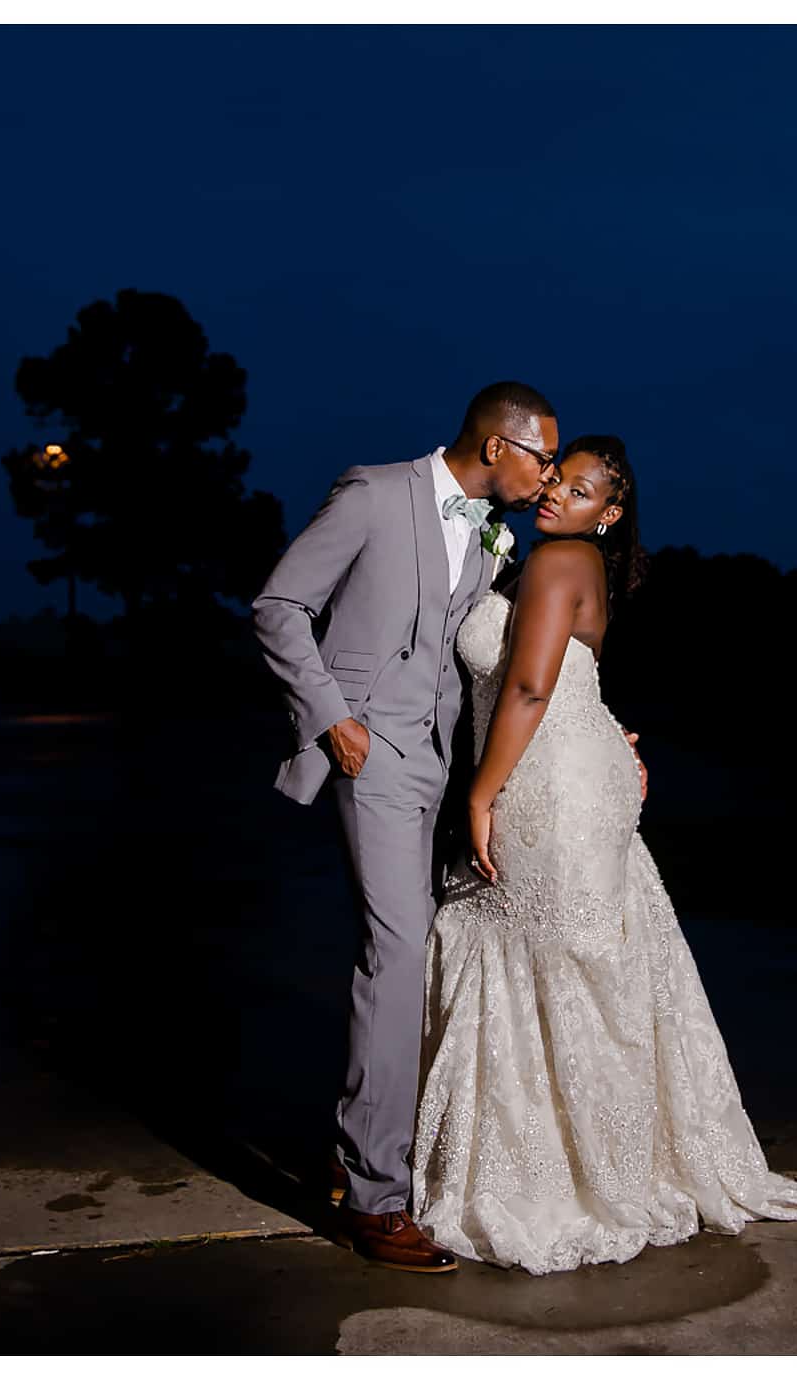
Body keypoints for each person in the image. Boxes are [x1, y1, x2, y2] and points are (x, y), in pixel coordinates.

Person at [410, 435, 797, 1274]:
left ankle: (585, 1172)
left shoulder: (561, 560)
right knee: (568, 958)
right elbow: (575, 685)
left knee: (558, 959)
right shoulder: (562, 566)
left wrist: (480, 794)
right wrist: (613, 737)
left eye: (580, 491)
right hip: (569, 770)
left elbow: (531, 686)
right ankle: (588, 1160)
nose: (556, 496)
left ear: (607, 516)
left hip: (544, 788)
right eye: (556, 480)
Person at [250, 381, 566, 1274]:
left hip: (440, 764)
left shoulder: (492, 536)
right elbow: (279, 607)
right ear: (499, 446)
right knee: (397, 952)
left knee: (424, 953)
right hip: (370, 754)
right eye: (543, 456)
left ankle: (397, 1158)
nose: (548, 477)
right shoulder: (376, 495)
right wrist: (331, 717)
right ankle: (372, 1195)